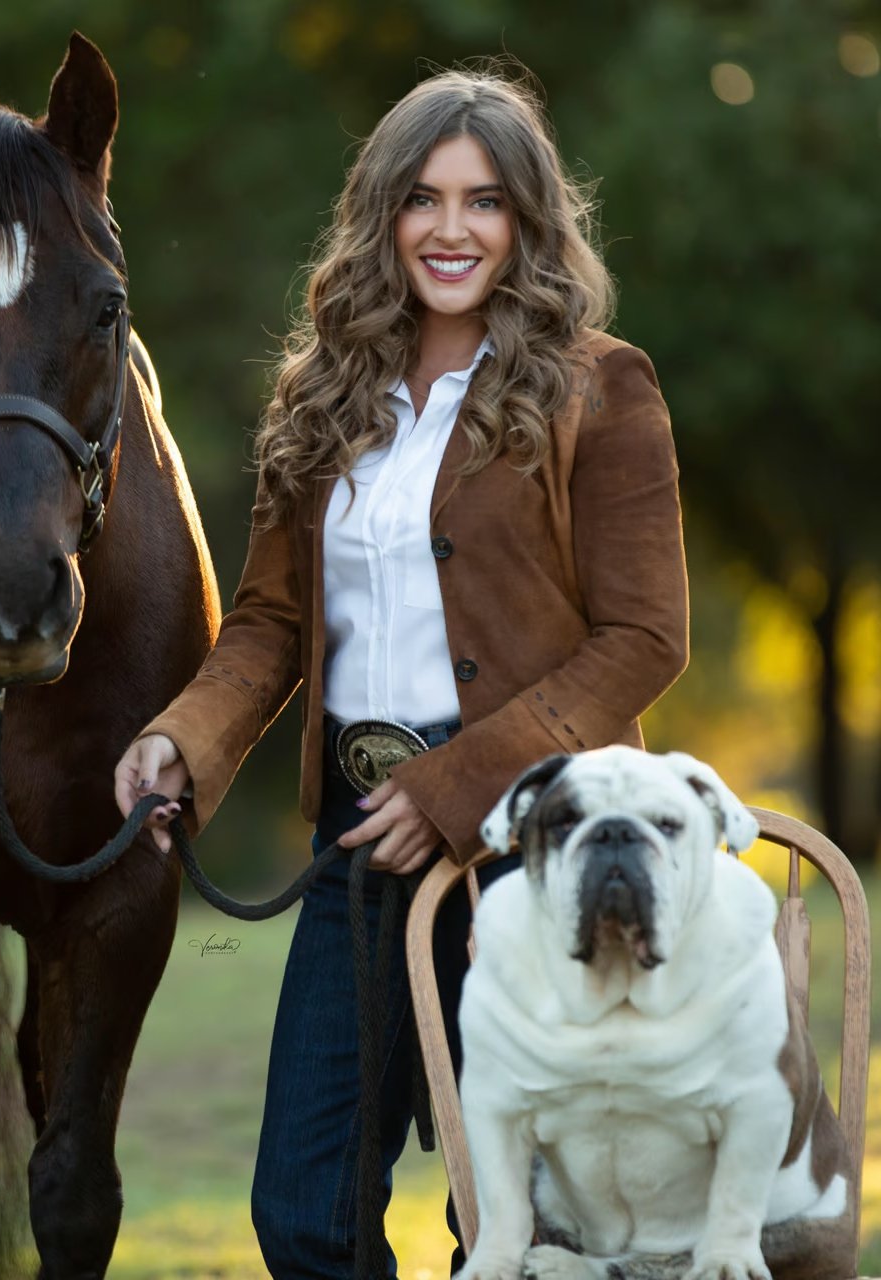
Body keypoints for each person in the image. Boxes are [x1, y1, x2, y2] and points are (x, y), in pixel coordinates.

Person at [114, 65, 688, 1280]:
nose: (449, 229)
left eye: (483, 202)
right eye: (421, 199)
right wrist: (184, 739)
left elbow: (643, 638)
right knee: (303, 1212)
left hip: (541, 853)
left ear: (526, 222)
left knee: (530, 1229)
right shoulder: (322, 398)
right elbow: (270, 620)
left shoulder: (601, 387)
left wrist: (457, 787)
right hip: (355, 852)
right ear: (381, 214)